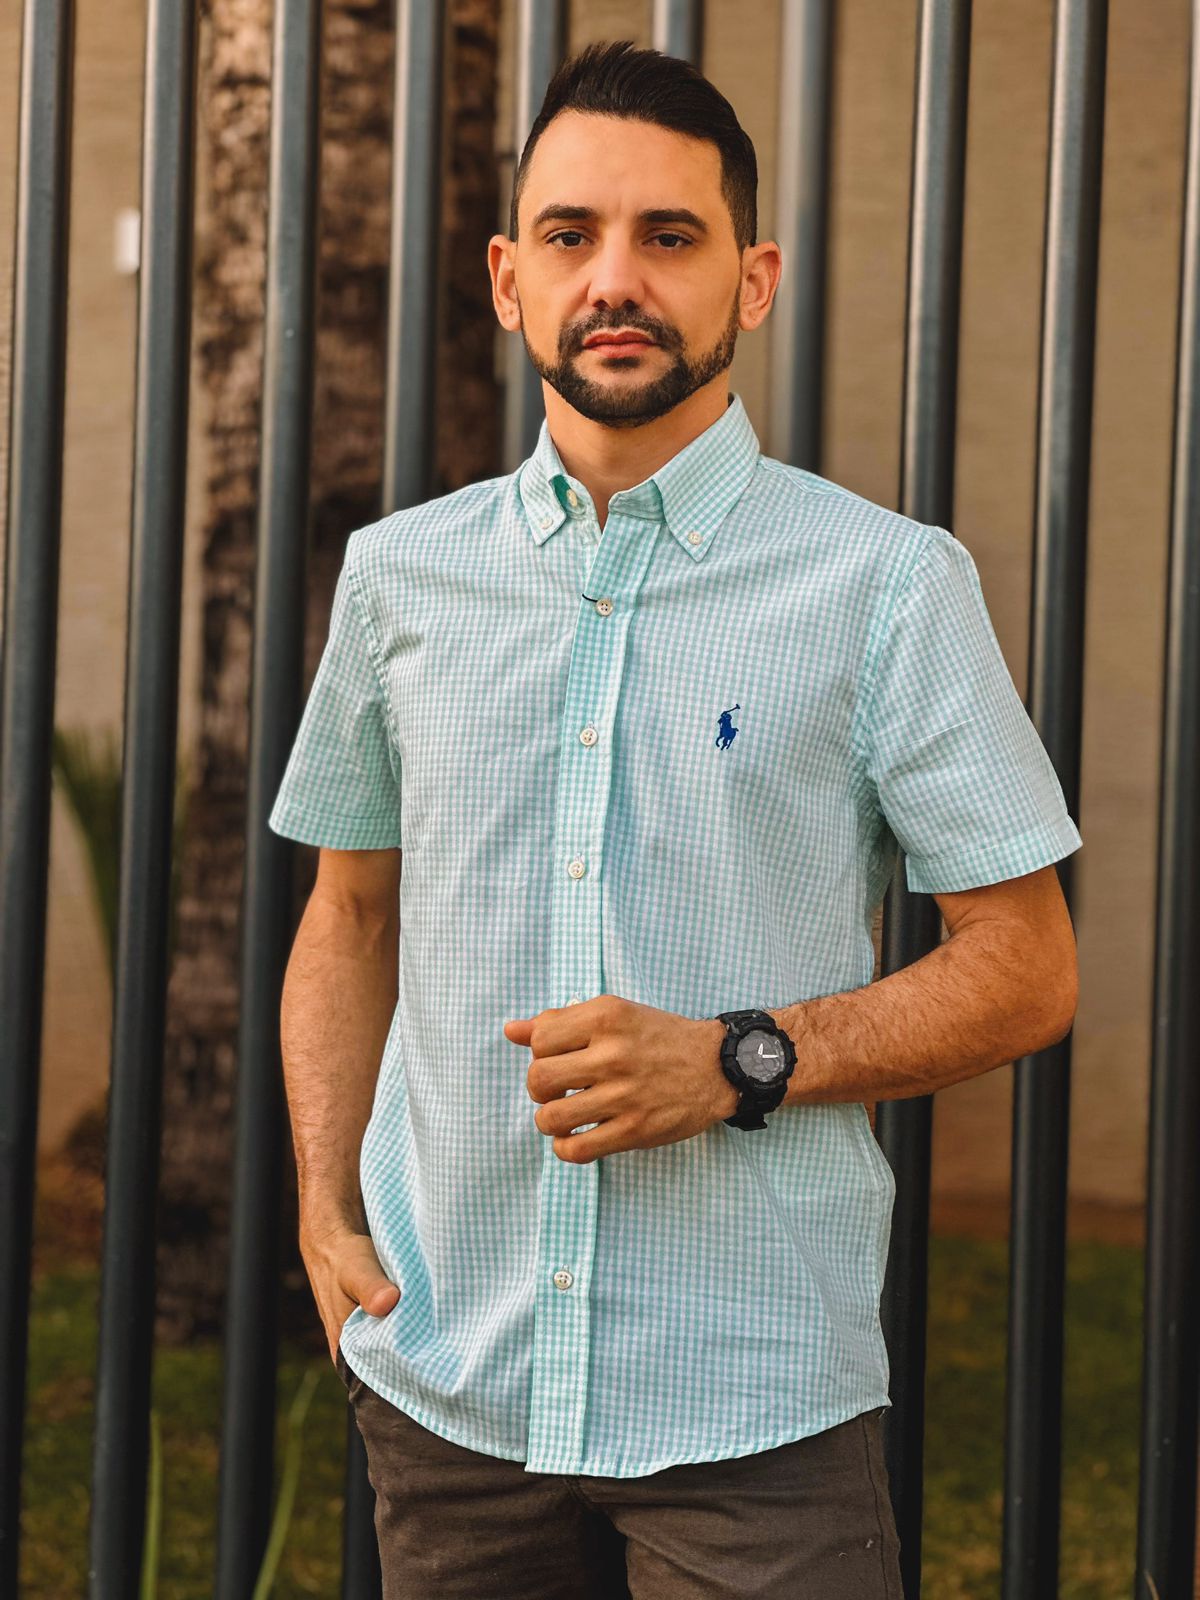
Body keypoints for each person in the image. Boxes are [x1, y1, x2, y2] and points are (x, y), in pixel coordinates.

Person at [268, 37, 1082, 1600]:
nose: (614, 280)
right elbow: (350, 915)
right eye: (570, 235)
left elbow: (1029, 966)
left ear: (751, 282)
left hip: (753, 1406)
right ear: (508, 278)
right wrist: (321, 1205)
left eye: (670, 236)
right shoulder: (397, 577)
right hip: (449, 1390)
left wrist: (737, 1060)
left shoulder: (886, 586)